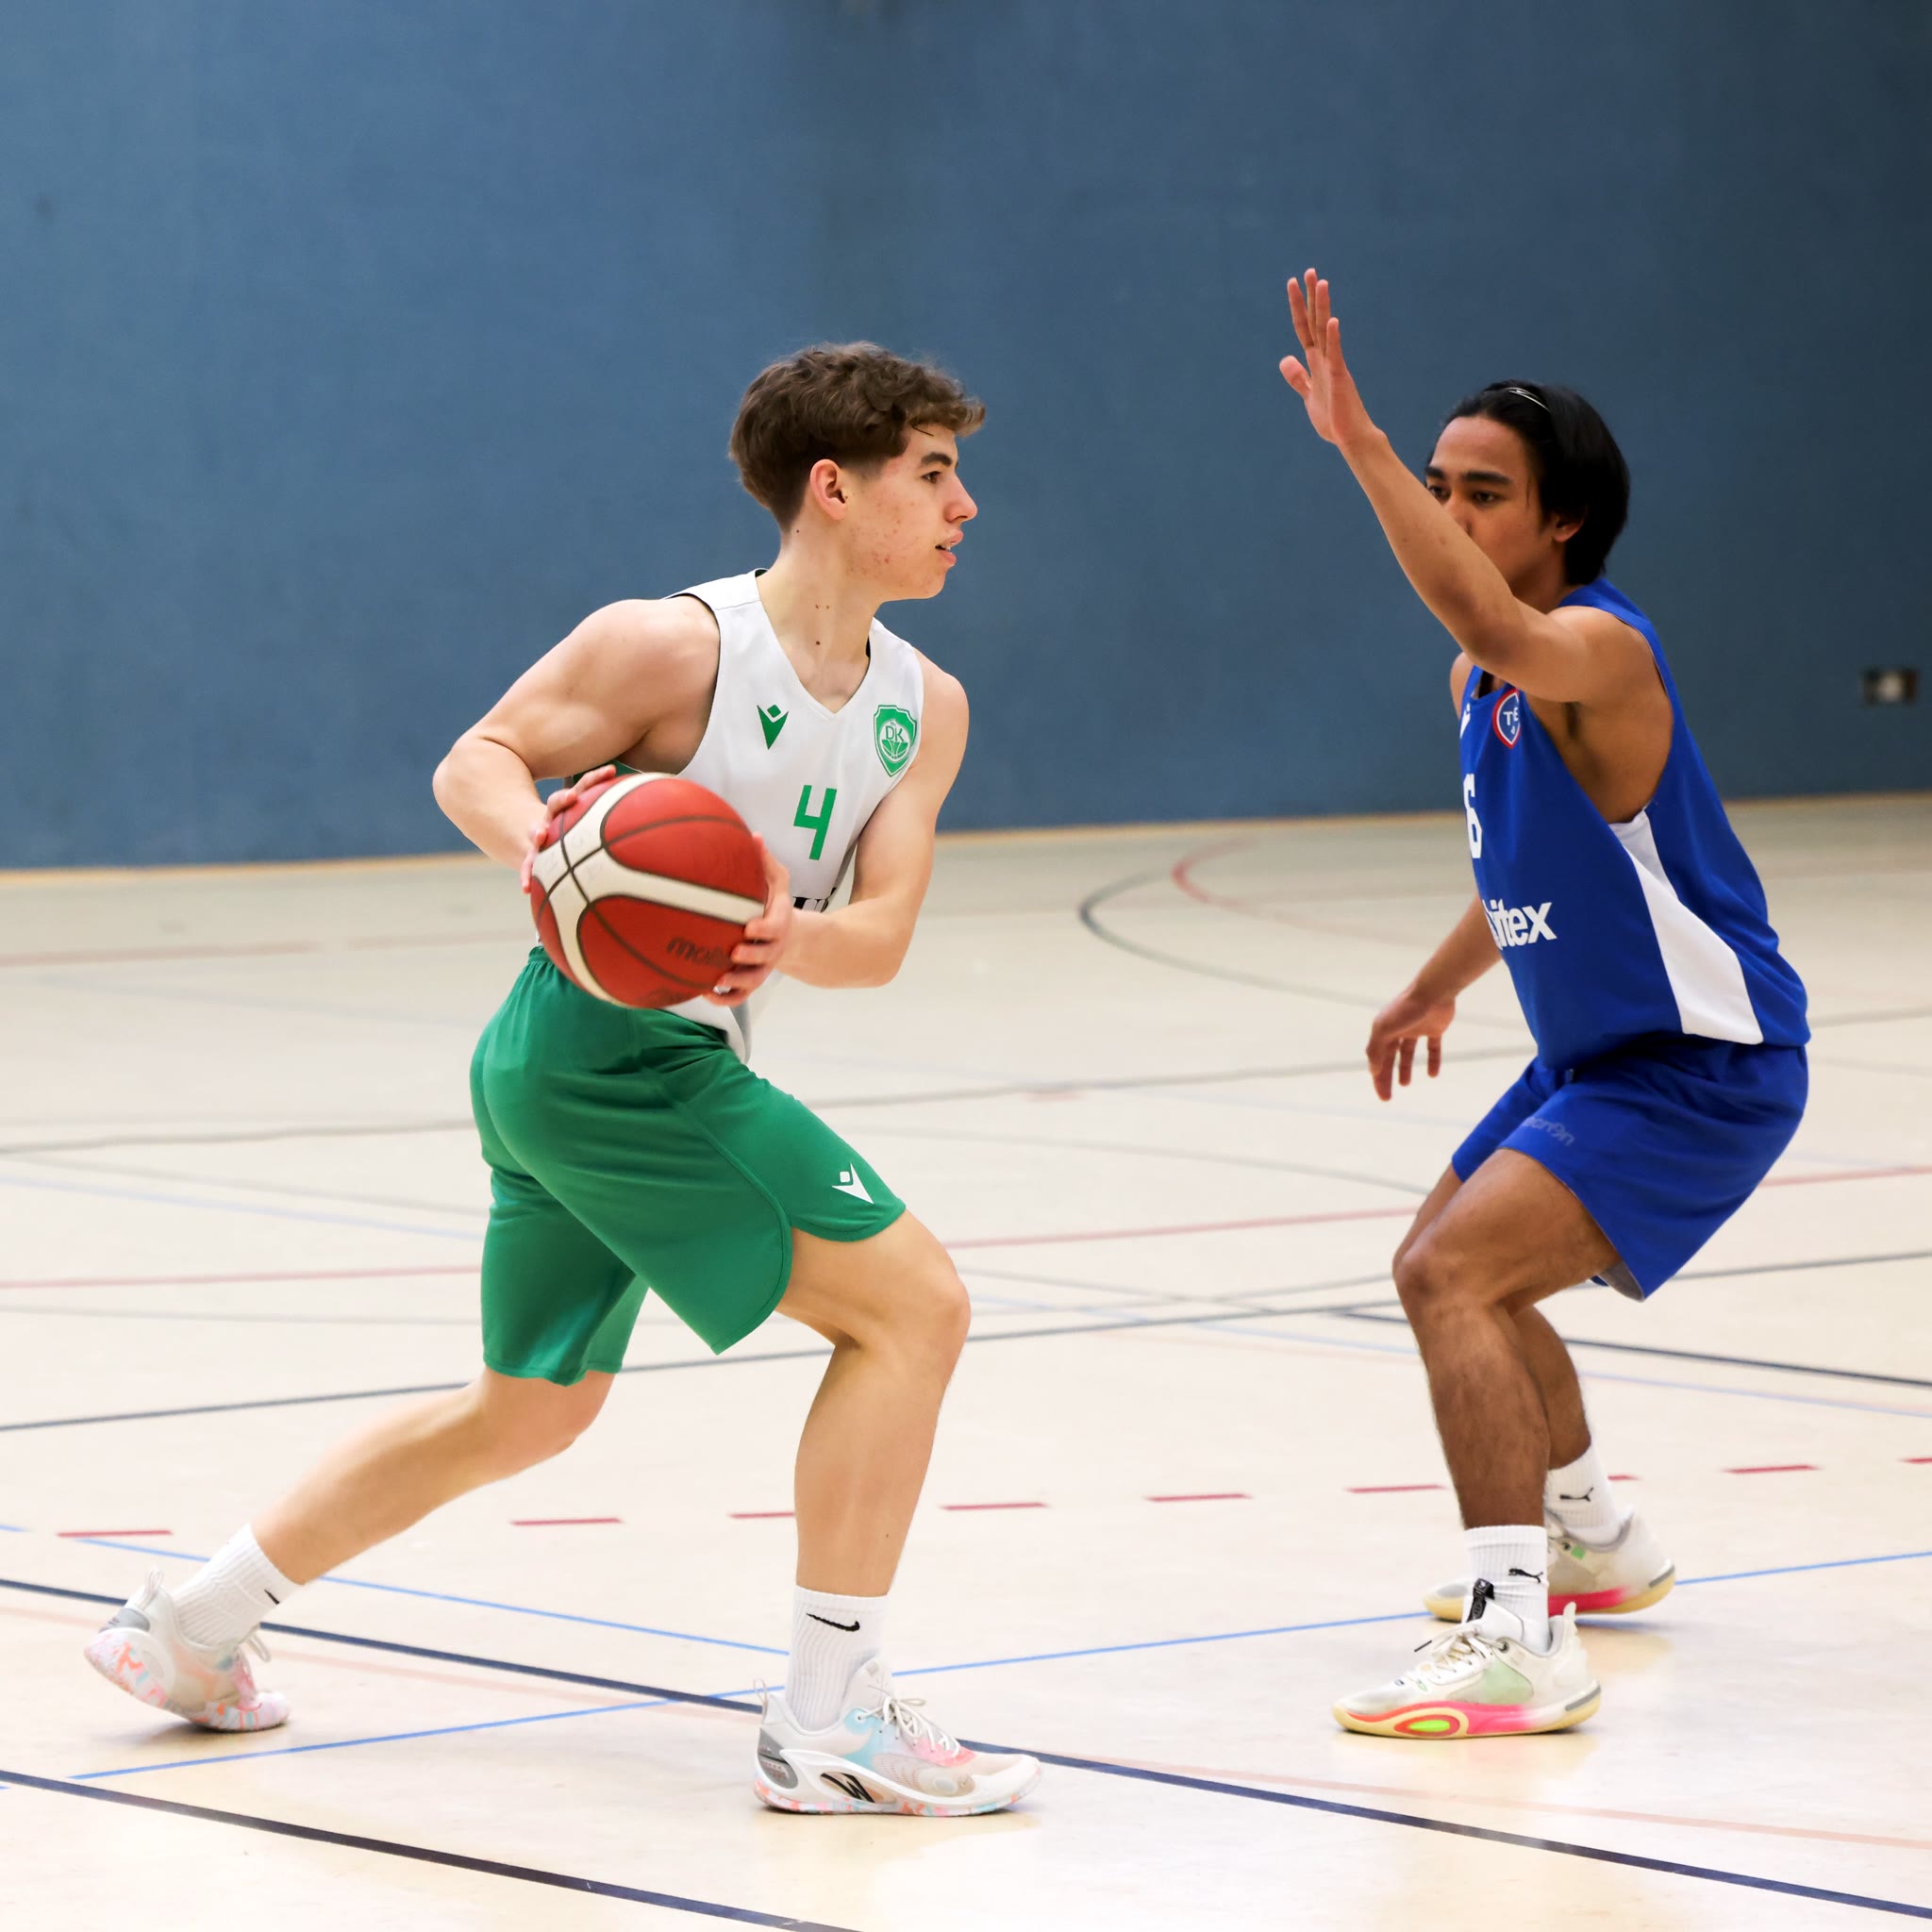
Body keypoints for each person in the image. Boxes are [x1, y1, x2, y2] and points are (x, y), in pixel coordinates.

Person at [85, 341, 1041, 1816]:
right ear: (836, 489)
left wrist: (787, 936)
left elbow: (882, 940)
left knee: (526, 1411)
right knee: (916, 1309)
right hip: (605, 1053)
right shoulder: (672, 647)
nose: (965, 504)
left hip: (597, 1063)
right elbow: (478, 760)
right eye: (935, 473)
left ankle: (191, 1629)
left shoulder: (930, 707)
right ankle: (831, 1718)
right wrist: (569, 858)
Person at [1277, 271, 1807, 1739]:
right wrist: (1434, 982)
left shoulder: (1596, 652)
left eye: (1483, 492)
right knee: (1433, 1269)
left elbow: (1487, 616)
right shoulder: (1485, 681)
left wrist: (1360, 448)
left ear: (1562, 518)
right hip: (1599, 1056)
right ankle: (1591, 1541)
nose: (1453, 511)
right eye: (1438, 483)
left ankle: (1518, 1636)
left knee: (1462, 1278)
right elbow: (1526, 858)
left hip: (1702, 1061)